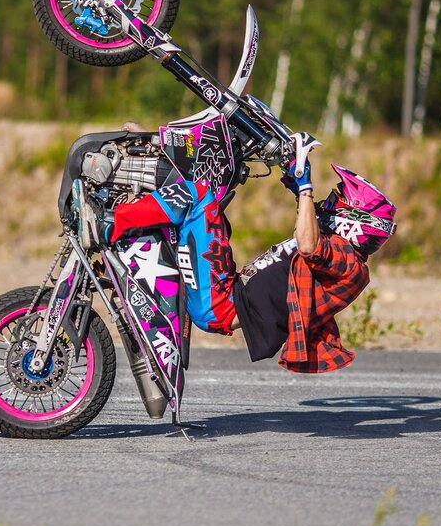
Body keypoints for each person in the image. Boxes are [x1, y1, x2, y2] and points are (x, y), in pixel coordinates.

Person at [103, 157, 397, 373]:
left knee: (200, 196)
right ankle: (136, 167)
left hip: (222, 303)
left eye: (336, 201)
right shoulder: (337, 253)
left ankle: (109, 225)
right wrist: (298, 191)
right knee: (206, 205)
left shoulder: (350, 264)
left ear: (357, 222)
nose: (327, 203)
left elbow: (308, 245)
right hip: (228, 291)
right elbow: (309, 242)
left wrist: (305, 189)